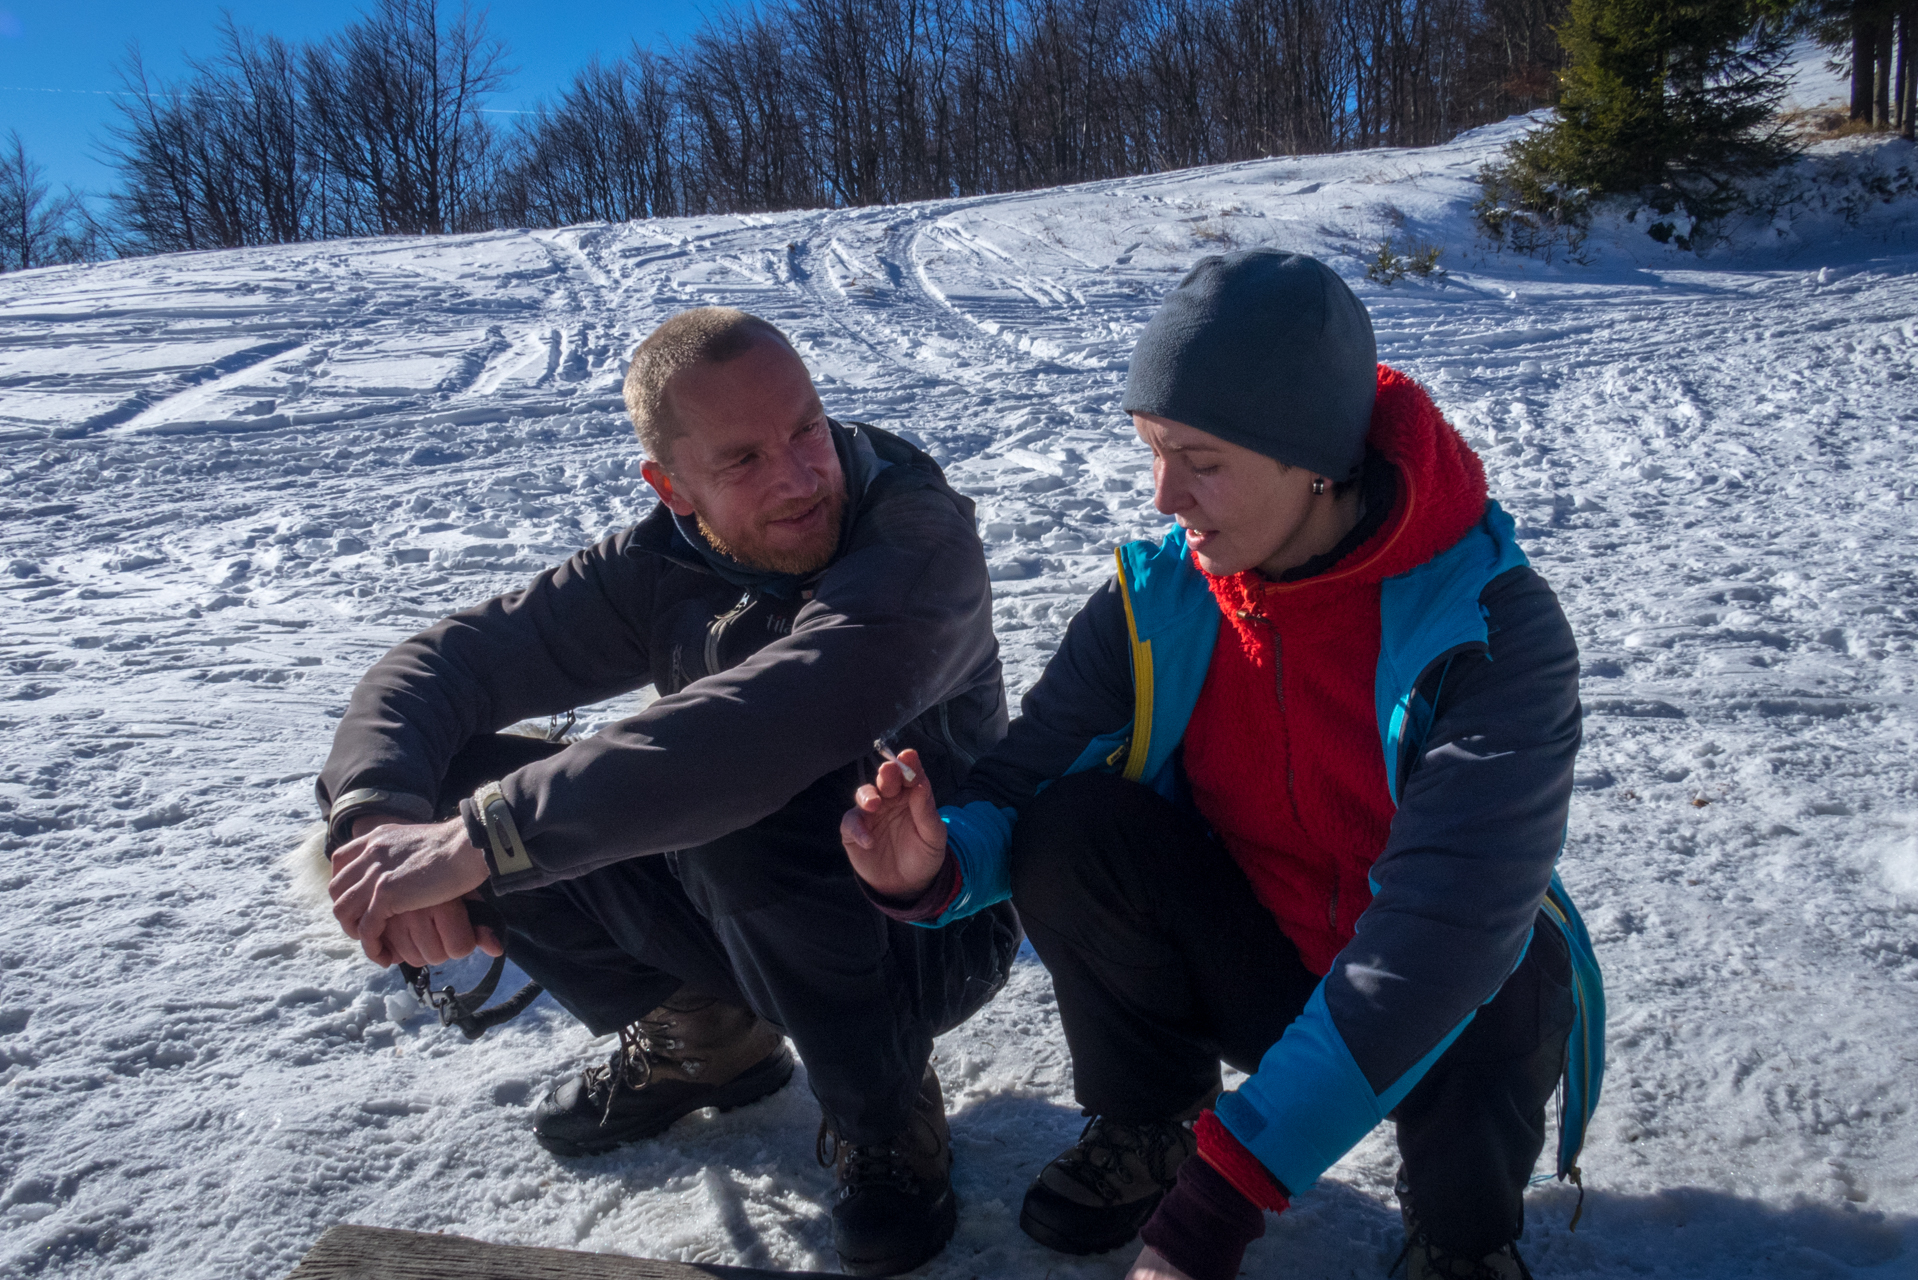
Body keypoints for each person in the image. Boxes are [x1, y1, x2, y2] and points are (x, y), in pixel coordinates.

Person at [841, 251, 1605, 1280]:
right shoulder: (1160, 596)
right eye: (1152, 450)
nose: (1166, 494)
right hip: (1262, 951)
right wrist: (931, 865)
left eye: (1199, 459)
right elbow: (1020, 784)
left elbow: (1438, 934)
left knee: (1498, 961)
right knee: (1075, 825)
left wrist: (1223, 1199)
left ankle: (1460, 1230)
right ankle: (1151, 1121)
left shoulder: (1490, 628)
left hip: (1441, 992)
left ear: (1317, 458)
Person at [319, 306, 1021, 1277]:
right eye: (742, 460)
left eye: (807, 428)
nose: (799, 474)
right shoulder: (663, 563)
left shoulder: (915, 532)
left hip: (937, 921)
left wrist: (483, 839)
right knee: (450, 778)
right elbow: (440, 664)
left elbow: (779, 715)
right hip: (752, 905)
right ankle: (706, 1036)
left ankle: (883, 1107)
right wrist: (380, 821)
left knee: (711, 801)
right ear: (672, 487)